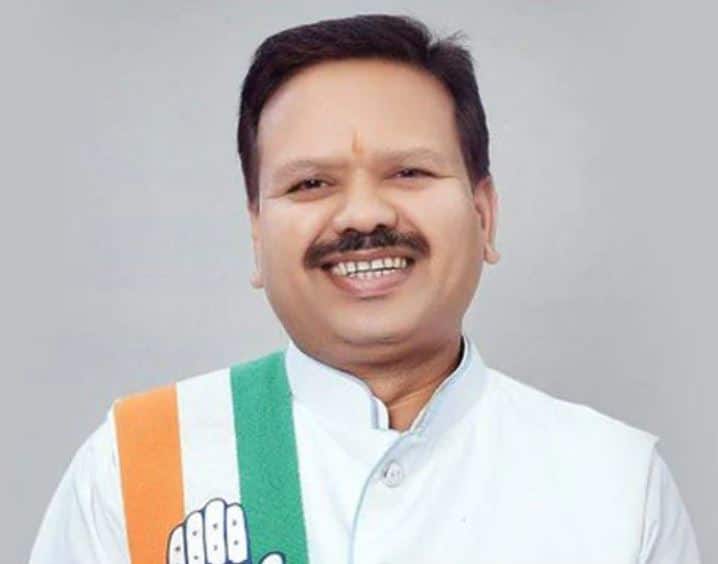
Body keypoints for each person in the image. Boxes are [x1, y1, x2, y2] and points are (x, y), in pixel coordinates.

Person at [29, 13, 701, 564]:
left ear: (484, 215)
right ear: (257, 235)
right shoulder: (140, 460)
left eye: (408, 172)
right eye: (310, 184)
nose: (362, 215)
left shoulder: (615, 483)